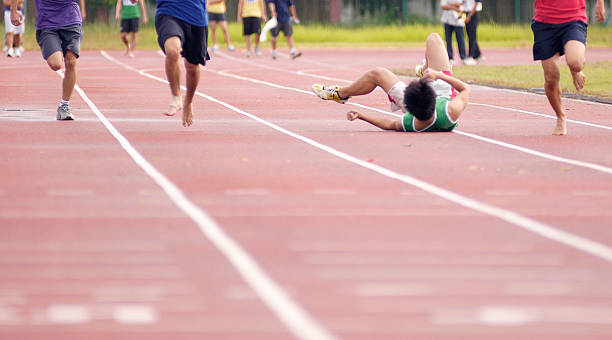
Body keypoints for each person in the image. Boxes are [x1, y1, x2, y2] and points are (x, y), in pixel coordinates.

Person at [312, 33, 470, 133]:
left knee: (377, 73)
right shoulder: (451, 110)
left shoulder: (412, 122)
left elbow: (389, 124)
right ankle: (425, 69)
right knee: (433, 38)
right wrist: (437, 75)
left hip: (423, 103)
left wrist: (362, 115)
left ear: (407, 105)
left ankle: (341, 94)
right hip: (442, 93)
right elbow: (465, 89)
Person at [532, 0, 606, 135]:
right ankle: (560, 116)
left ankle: (575, 69)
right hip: (544, 21)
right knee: (550, 79)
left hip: (573, 18)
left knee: (576, 63)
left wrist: (600, 3)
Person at [11, 0, 86, 120]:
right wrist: (14, 11)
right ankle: (55, 47)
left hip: (71, 19)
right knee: (56, 64)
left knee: (71, 61)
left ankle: (64, 105)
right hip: (48, 23)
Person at [155, 0, 209, 127]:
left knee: (192, 67)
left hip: (196, 16)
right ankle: (176, 96)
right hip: (168, 12)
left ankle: (188, 101)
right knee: (172, 50)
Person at [440, 0, 474, 65]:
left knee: (461, 40)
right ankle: (450, 58)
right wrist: (455, 6)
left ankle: (463, 57)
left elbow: (462, 4)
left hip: (458, 20)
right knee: (448, 40)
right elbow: (443, 6)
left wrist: (449, 5)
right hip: (447, 20)